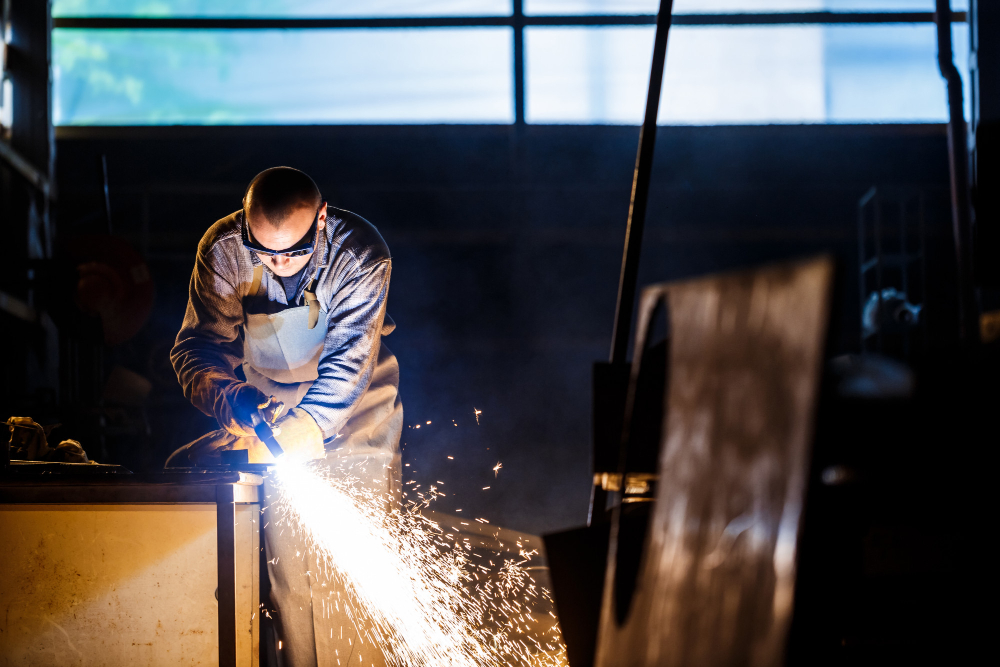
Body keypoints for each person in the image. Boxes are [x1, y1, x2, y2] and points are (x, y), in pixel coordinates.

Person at [167, 166, 402, 666]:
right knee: (291, 566)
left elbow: (348, 364)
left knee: (353, 563)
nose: (277, 264)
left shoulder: (360, 252)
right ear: (246, 223)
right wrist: (230, 398)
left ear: (320, 219)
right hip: (267, 399)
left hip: (354, 406)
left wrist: (309, 427)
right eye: (264, 251)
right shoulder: (223, 249)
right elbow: (197, 348)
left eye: (292, 251)